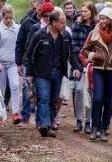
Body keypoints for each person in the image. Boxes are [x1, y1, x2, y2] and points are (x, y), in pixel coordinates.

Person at [23, 7, 76, 138]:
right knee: (44, 98)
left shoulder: (65, 36)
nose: (65, 25)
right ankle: (44, 125)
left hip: (58, 73)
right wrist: (29, 73)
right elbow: (29, 55)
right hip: (41, 73)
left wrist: (77, 68)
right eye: (62, 22)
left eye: (65, 22)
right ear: (53, 22)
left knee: (53, 100)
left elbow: (71, 54)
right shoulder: (39, 35)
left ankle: (48, 123)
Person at [81, 7, 112, 142]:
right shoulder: (94, 32)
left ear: (110, 19)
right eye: (100, 18)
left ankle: (104, 128)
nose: (100, 20)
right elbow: (84, 51)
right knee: (97, 99)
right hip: (98, 69)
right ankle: (94, 127)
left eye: (103, 18)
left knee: (109, 101)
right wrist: (92, 57)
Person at [16, 0, 54, 126]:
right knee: (28, 88)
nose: (45, 16)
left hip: (44, 64)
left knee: (43, 93)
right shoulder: (29, 24)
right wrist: (19, 62)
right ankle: (25, 116)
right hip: (30, 61)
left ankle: (40, 120)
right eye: (40, 11)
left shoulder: (53, 27)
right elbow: (22, 44)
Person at [0, 5, 21, 124]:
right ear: (2, 16)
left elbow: (19, 46)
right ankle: (0, 113)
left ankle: (16, 112)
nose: (8, 20)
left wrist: (20, 62)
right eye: (6, 18)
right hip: (1, 63)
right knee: (1, 90)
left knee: (14, 85)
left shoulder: (17, 28)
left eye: (10, 18)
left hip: (13, 63)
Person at [70, 2, 97, 133]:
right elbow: (74, 47)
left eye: (86, 11)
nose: (83, 13)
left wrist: (91, 59)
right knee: (79, 90)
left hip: (93, 63)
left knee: (90, 92)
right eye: (81, 11)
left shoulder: (97, 26)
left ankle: (88, 121)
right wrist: (78, 65)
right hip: (79, 62)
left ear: (92, 12)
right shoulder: (77, 25)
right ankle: (79, 120)